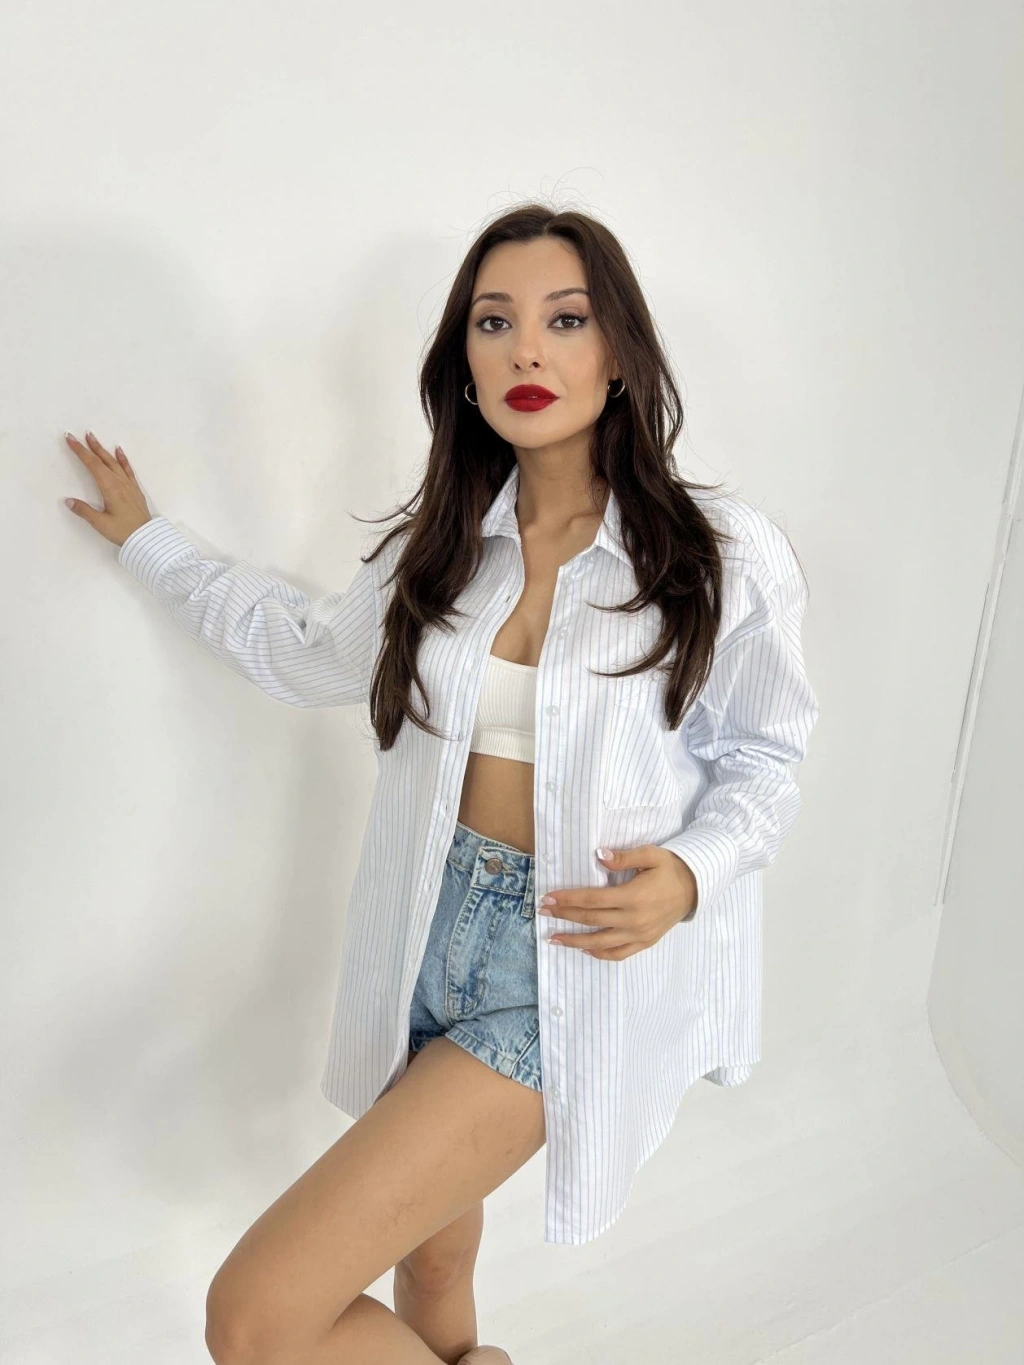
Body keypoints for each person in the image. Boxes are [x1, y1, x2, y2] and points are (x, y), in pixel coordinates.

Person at [62, 204, 819, 1365]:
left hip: (561, 963)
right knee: (431, 1261)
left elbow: (766, 754)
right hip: (425, 930)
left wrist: (689, 873)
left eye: (566, 319)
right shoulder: (446, 545)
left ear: (619, 352)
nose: (526, 350)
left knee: (256, 1319)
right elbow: (308, 651)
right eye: (493, 322)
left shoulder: (717, 552)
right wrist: (150, 543)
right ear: (463, 364)